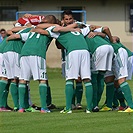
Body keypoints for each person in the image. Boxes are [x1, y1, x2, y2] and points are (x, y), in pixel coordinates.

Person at [6, 15, 57, 113]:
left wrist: (8, 39)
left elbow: (16, 35)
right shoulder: (52, 28)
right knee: (42, 79)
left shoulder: (32, 29)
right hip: (37, 53)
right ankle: (44, 108)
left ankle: (21, 108)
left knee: (23, 80)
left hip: (24, 53)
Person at [60, 10, 84, 109]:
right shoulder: (60, 29)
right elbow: (58, 45)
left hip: (78, 56)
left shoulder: (78, 27)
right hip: (66, 58)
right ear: (63, 20)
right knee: (70, 79)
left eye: (70, 19)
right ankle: (71, 103)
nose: (69, 21)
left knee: (79, 79)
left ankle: (78, 103)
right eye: (66, 19)